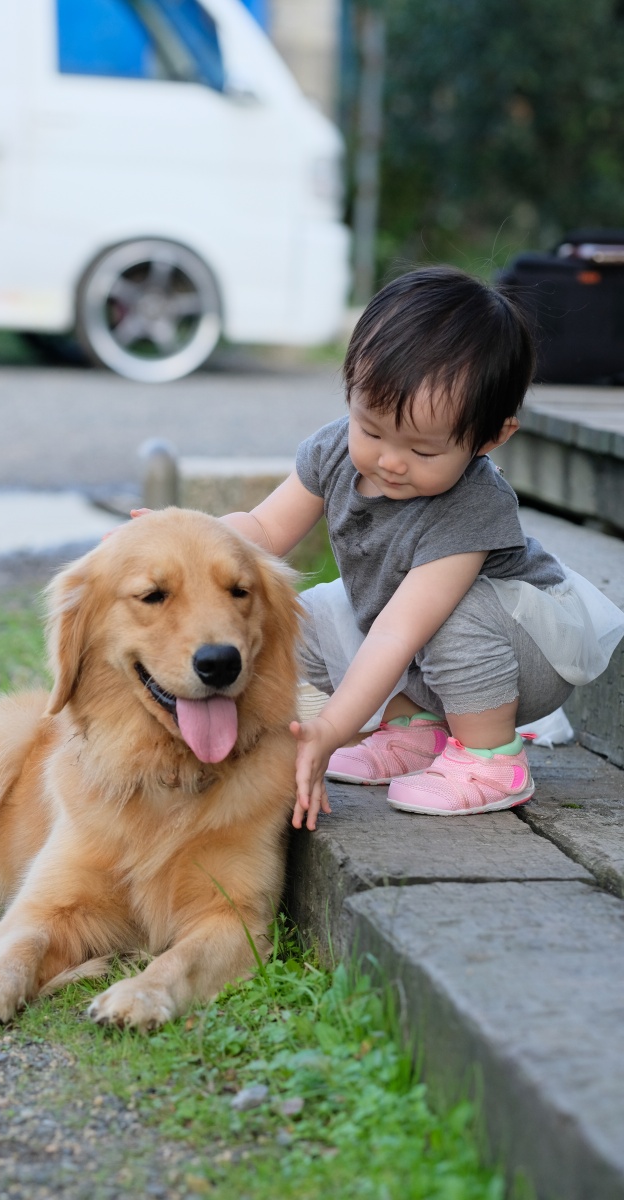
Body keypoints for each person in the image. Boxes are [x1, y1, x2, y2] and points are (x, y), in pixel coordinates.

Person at [208, 266, 624, 830]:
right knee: (296, 620)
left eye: (424, 451)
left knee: (450, 614)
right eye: (372, 430)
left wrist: (331, 727)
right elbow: (261, 529)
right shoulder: (333, 450)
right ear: (351, 389)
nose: (390, 461)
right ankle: (416, 734)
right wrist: (190, 533)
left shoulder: (472, 507)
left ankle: (490, 757)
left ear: (491, 437)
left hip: (525, 651)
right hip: (425, 649)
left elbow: (401, 632)